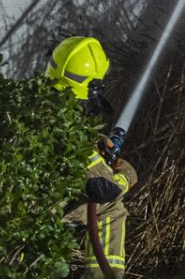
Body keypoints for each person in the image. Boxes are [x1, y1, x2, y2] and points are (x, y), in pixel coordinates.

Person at [48, 35, 139, 277]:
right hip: (41, 212)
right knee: (112, 207)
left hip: (14, 205)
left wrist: (99, 150)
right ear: (91, 84)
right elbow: (103, 188)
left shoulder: (41, 102)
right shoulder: (68, 123)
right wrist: (126, 177)